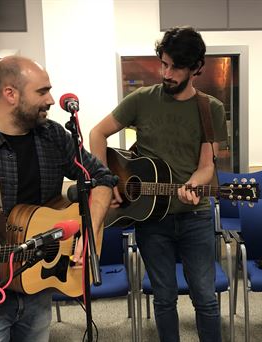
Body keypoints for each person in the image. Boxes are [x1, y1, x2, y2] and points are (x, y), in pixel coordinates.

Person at [0, 55, 115, 341]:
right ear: (10, 94)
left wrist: (90, 230)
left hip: (36, 284)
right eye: (42, 91)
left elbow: (101, 178)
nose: (51, 100)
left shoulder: (55, 137)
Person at [89, 26, 227, 342]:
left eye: (176, 67)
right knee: (163, 298)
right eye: (163, 64)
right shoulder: (141, 100)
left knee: (205, 298)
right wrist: (105, 182)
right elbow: (98, 134)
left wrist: (194, 183)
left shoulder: (210, 109)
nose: (166, 73)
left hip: (195, 218)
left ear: (196, 68)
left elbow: (207, 166)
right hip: (150, 219)